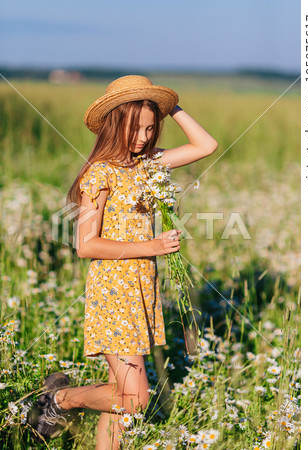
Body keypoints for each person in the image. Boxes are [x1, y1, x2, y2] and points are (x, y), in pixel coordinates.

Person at [28, 75, 218, 449]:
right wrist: (151, 245)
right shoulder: (99, 174)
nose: (144, 138)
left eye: (150, 128)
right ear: (115, 123)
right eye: (135, 128)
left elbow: (206, 145)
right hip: (113, 293)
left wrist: (166, 105)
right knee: (135, 400)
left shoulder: (147, 165)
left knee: (121, 398)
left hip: (141, 289)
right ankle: (59, 400)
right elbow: (86, 245)